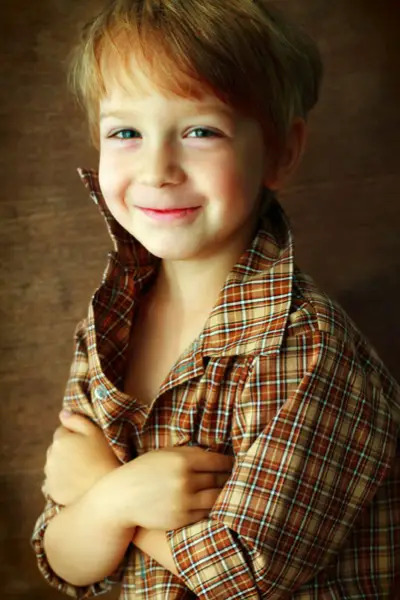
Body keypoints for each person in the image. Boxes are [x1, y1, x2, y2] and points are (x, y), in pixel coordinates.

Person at [32, 0, 400, 598]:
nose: (157, 170)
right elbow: (63, 557)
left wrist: (107, 495)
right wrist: (103, 508)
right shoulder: (108, 321)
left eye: (201, 131)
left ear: (281, 152)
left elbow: (249, 580)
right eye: (126, 132)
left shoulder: (307, 348)